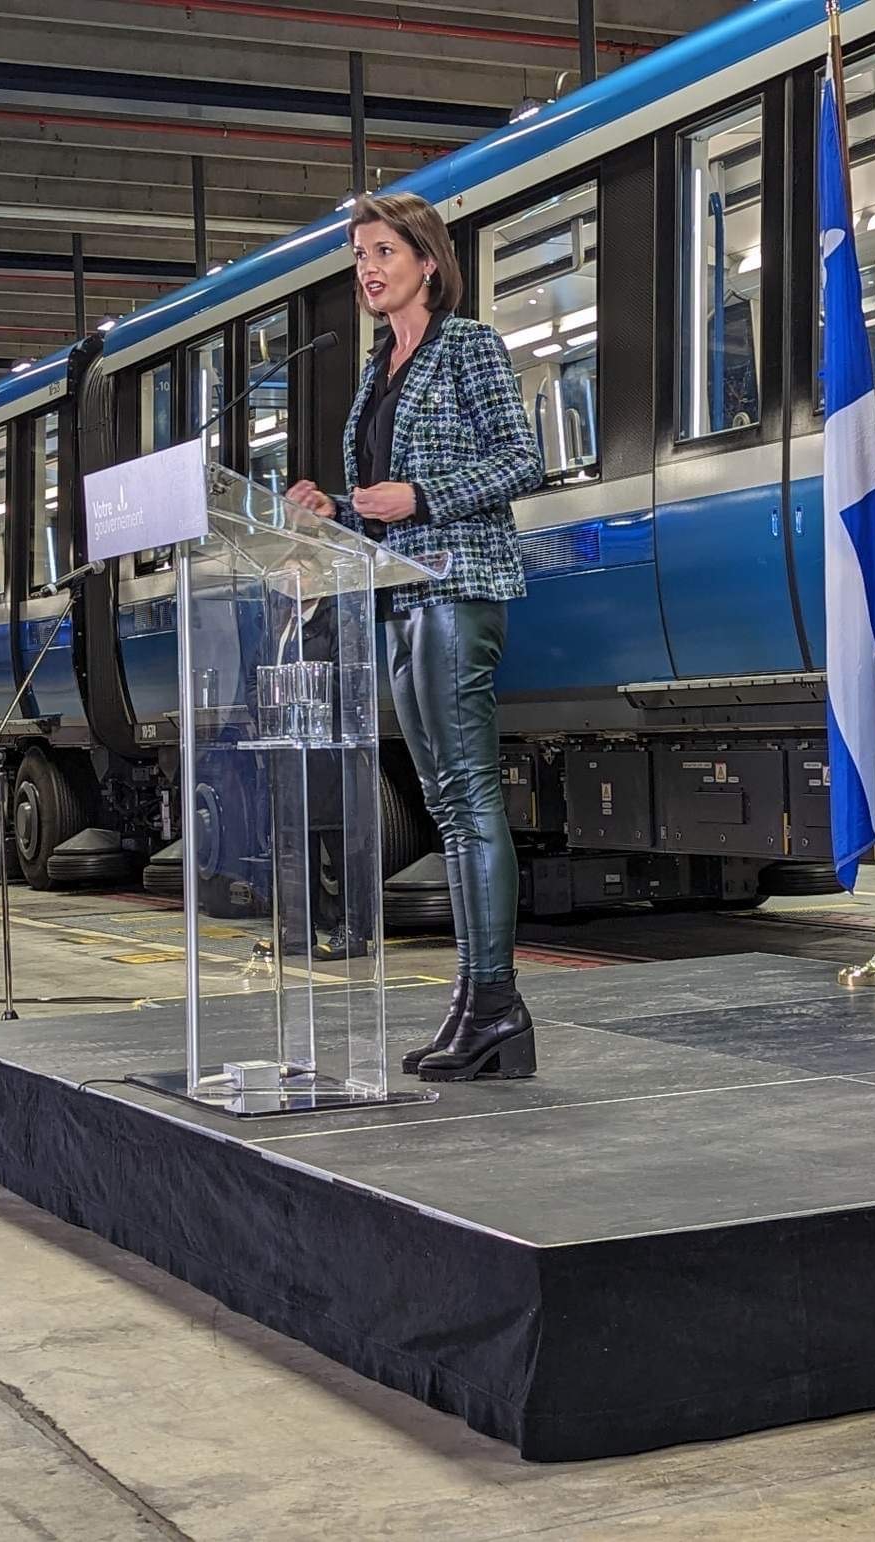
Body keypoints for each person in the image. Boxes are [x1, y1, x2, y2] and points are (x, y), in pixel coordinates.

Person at [286, 191, 543, 1083]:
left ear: (427, 261)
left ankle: (493, 1004)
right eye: (359, 254)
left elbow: (521, 458)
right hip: (396, 595)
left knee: (469, 798)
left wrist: (422, 498)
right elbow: (379, 498)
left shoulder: (467, 345)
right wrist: (331, 512)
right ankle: (480, 1007)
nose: (367, 268)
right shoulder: (376, 372)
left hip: (458, 587)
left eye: (382, 251)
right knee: (445, 803)